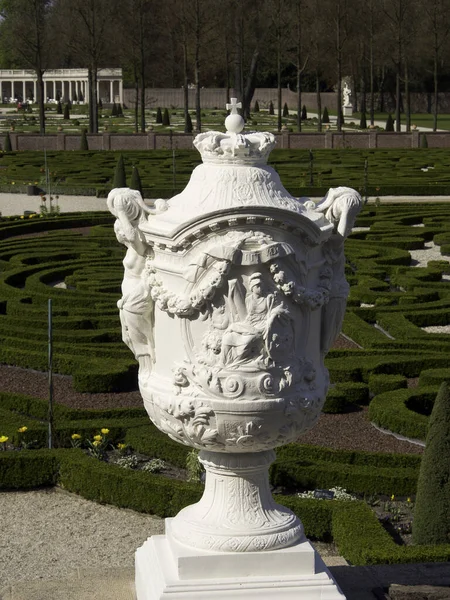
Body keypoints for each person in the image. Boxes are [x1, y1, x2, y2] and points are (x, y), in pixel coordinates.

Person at [107, 188, 155, 380]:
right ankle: (145, 359)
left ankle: (147, 361)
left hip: (137, 292)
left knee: (136, 332)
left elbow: (133, 236)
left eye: (120, 229)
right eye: (117, 229)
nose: (119, 233)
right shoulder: (130, 247)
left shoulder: (138, 243)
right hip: (129, 294)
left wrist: (121, 211)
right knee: (126, 335)